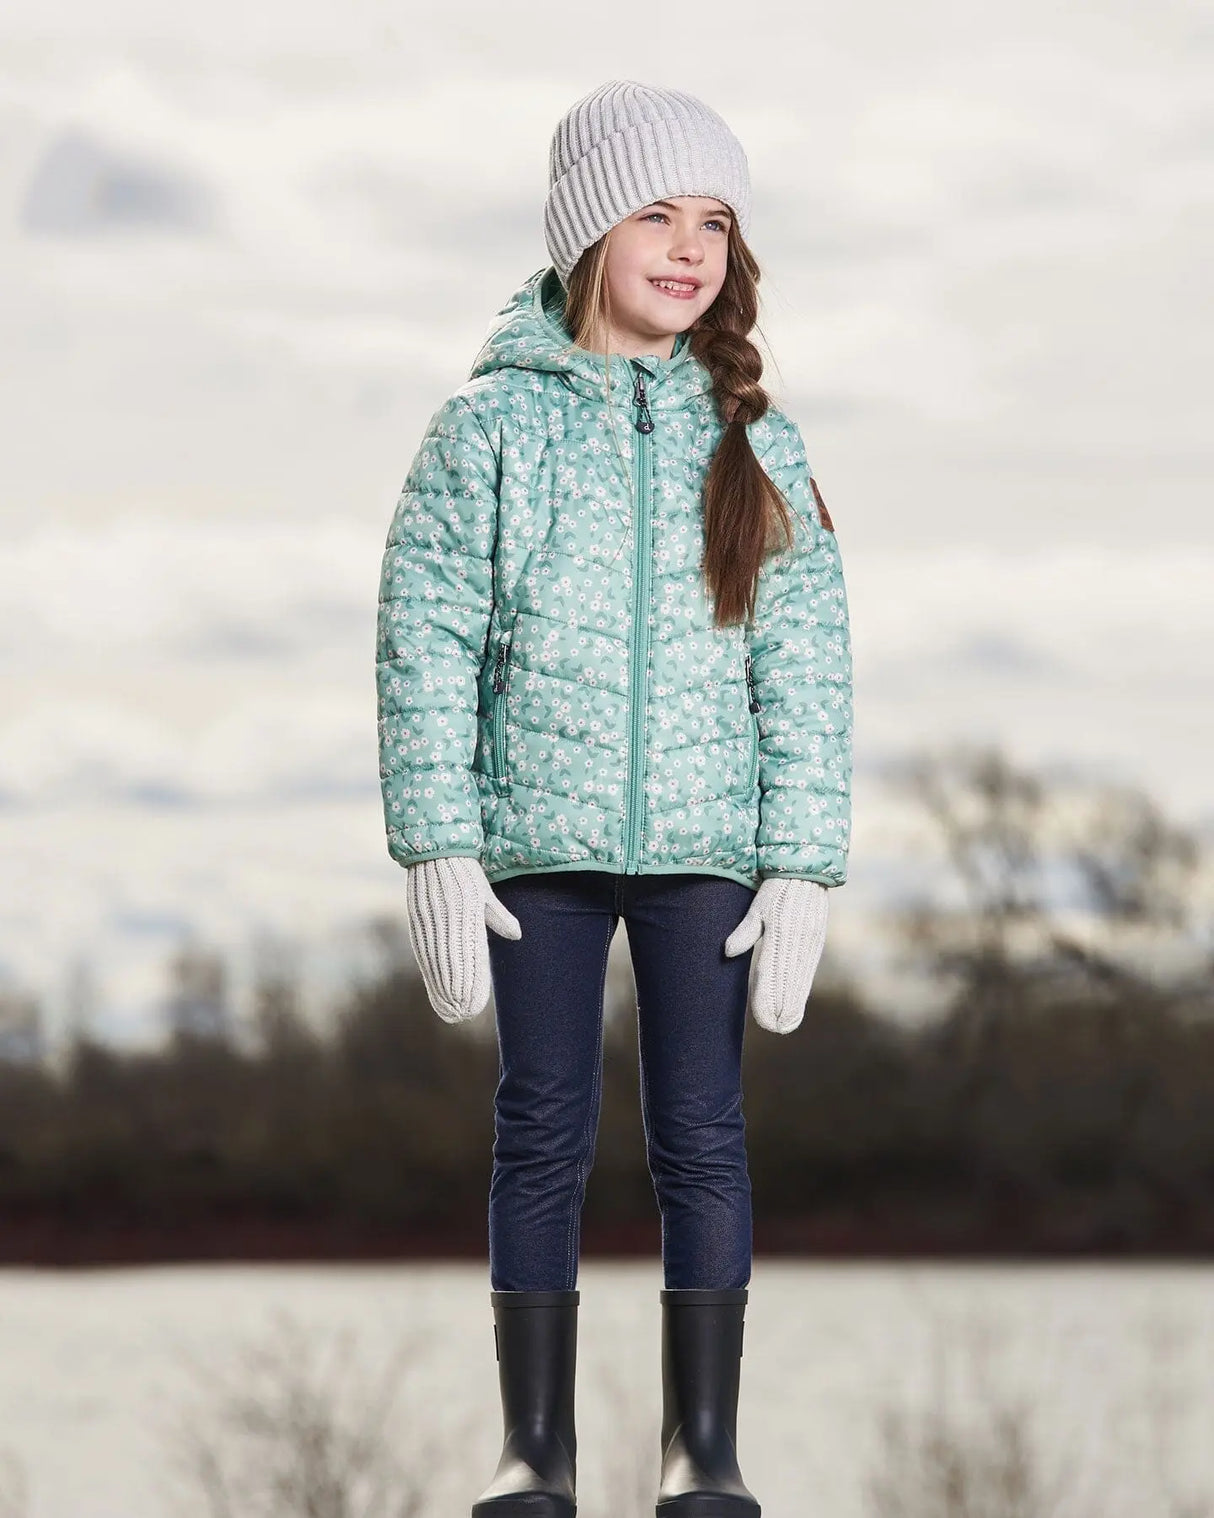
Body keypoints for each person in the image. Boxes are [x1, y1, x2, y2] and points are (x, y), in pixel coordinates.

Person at [375, 78, 853, 1518]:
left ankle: (703, 1446)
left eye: (714, 222)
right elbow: (425, 633)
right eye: (658, 214)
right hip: (536, 844)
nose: (690, 246)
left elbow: (805, 659)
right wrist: (438, 840)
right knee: (542, 1128)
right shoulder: (488, 431)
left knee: (703, 1133)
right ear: (588, 230)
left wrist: (802, 859)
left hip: (711, 851)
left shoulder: (758, 443)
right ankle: (537, 1447)